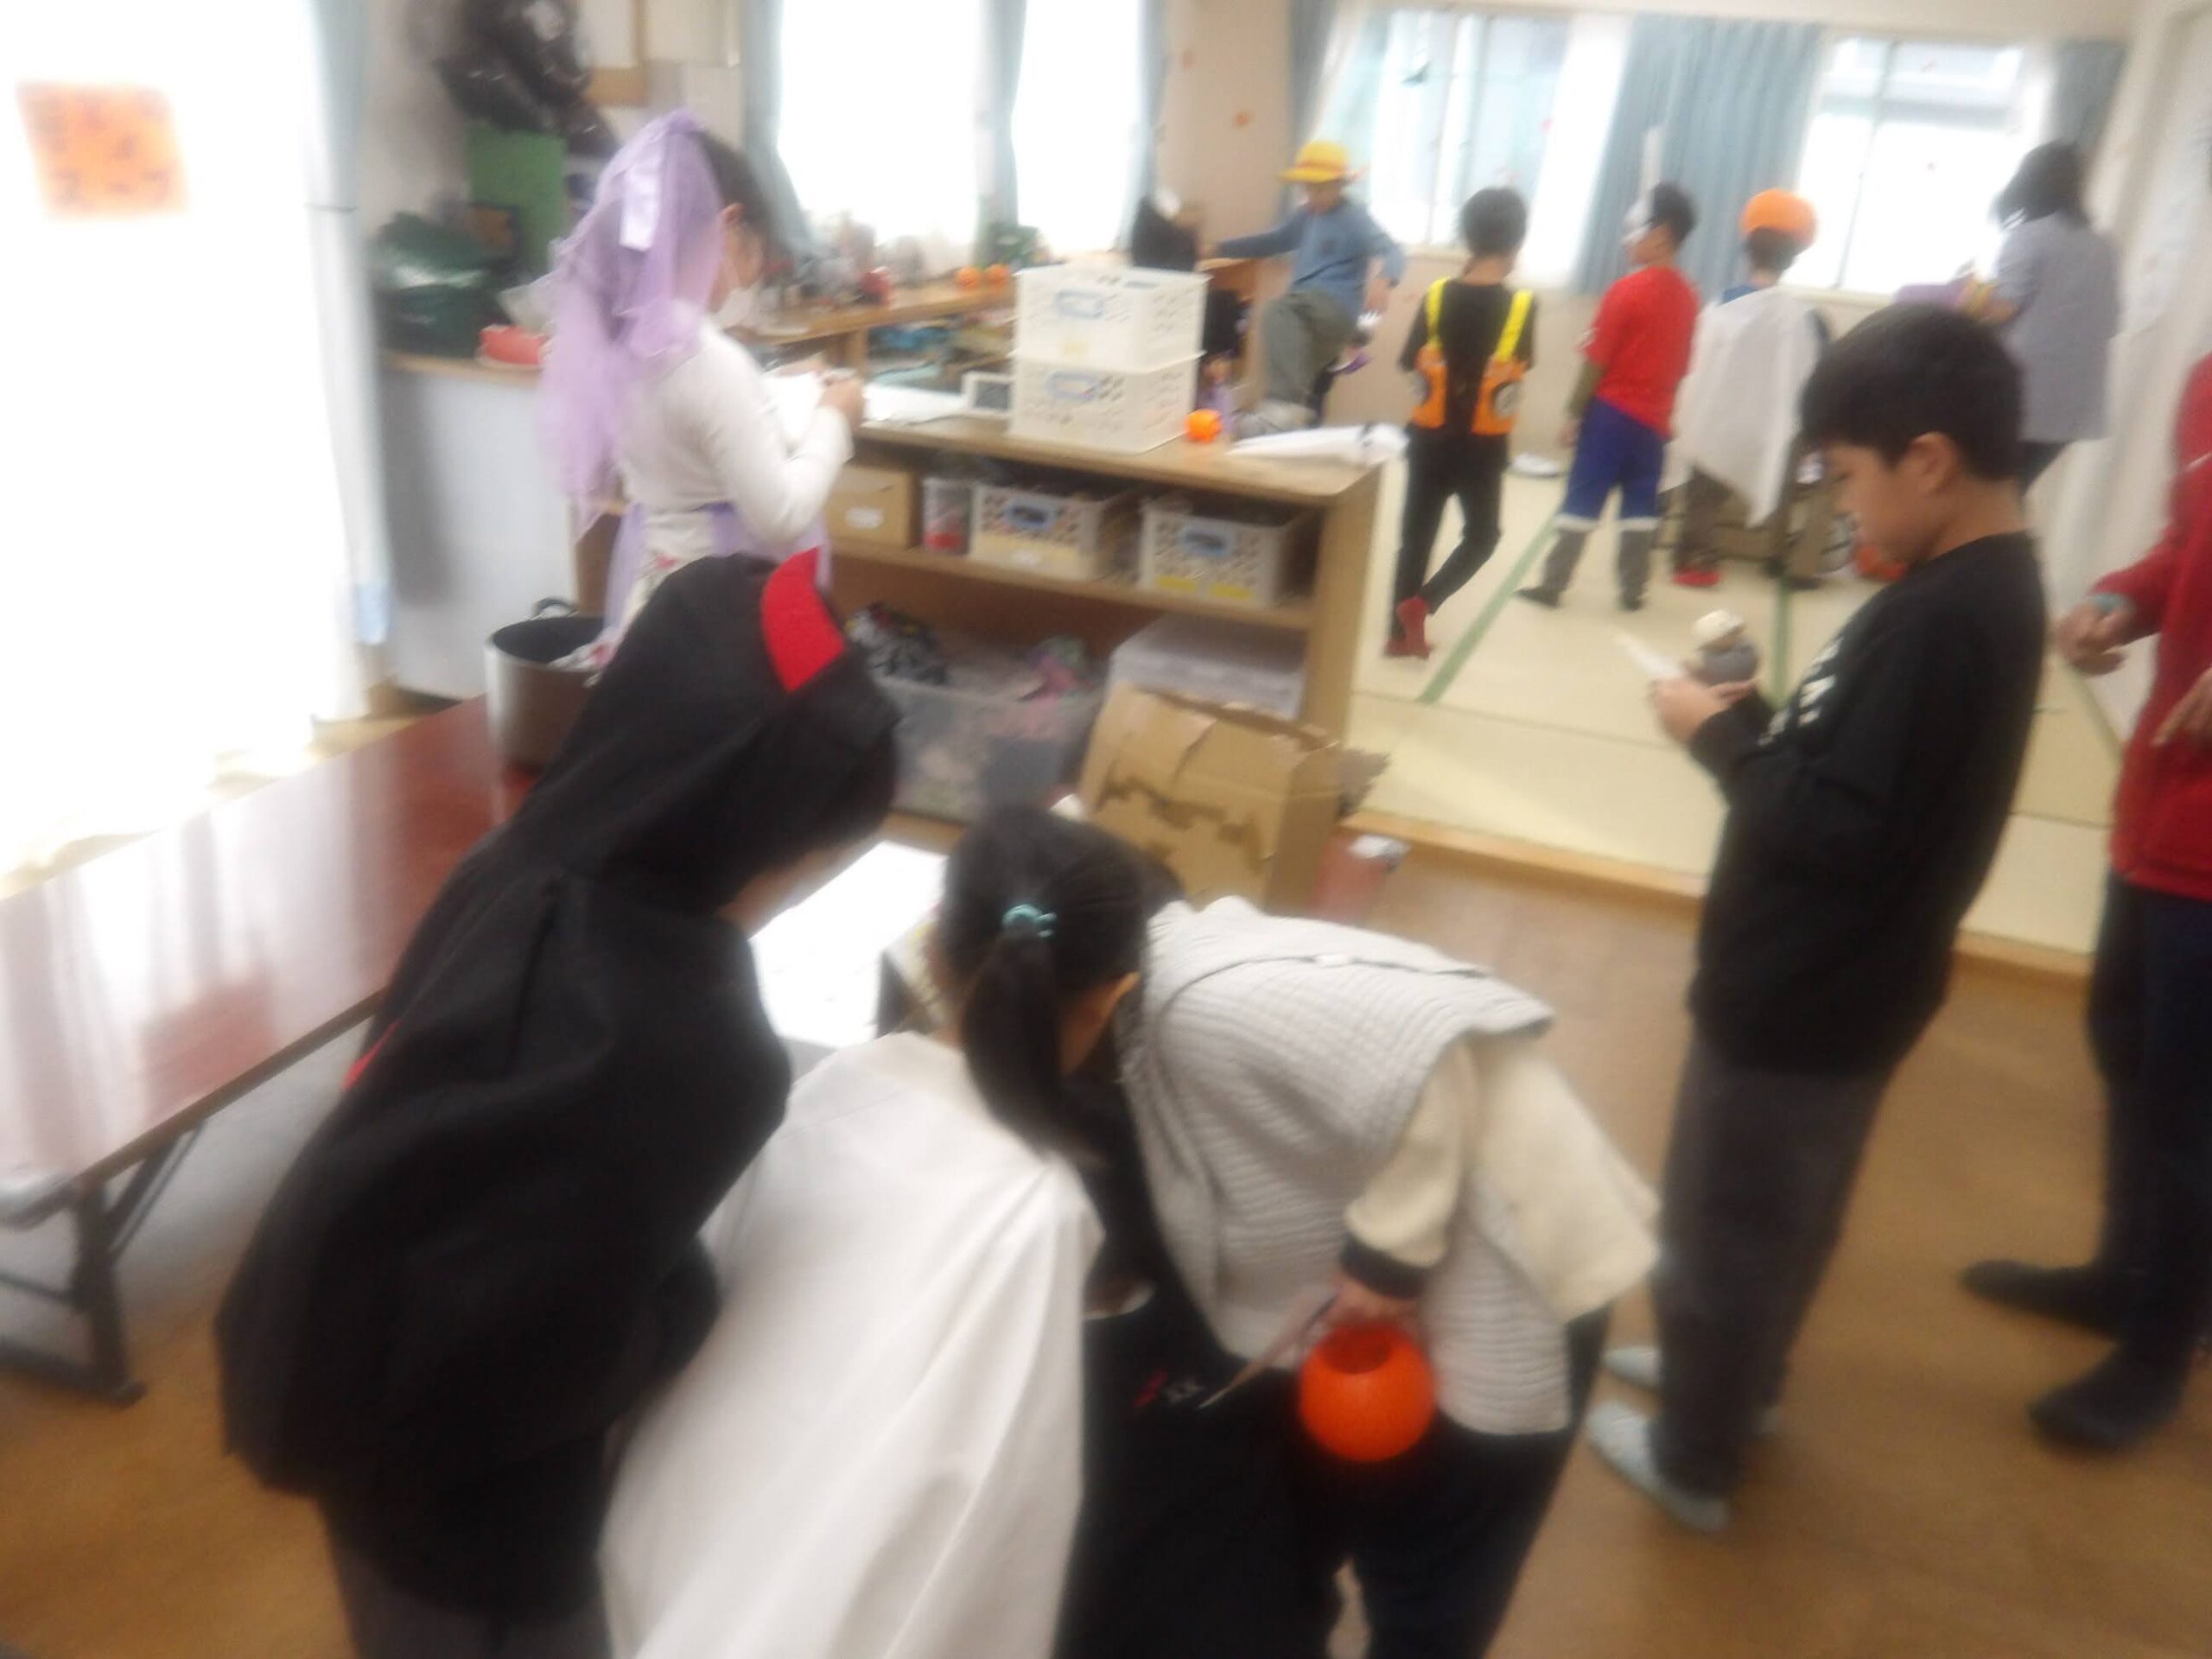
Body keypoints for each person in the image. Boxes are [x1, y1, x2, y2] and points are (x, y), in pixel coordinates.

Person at [215, 553, 900, 1659]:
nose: (801, 886)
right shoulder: (699, 1041)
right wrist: (686, 1306)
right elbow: (559, 1348)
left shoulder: (521, 858)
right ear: (759, 833)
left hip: (331, 1344)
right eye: (812, 864)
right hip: (476, 1522)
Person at [1587, 305, 2048, 1532]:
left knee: (1726, 1226)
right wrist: (1759, 715)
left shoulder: (1946, 618)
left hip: (1800, 995)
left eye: (1847, 476)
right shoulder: (1973, 590)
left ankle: (1695, 1453)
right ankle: (1729, 1385)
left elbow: (1838, 833)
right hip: (1849, 989)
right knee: (1780, 1219)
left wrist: (1718, 738)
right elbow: (1867, 781)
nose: (1842, 505)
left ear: (1928, 461)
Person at [601, 808, 1148, 1658]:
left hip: (652, 1548)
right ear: (1113, 998)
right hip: (800, 1619)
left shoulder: (833, 1088)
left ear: (932, 948)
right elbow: (993, 1513)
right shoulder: (1037, 1213)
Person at [1117, 893, 1656, 1657]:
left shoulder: (1202, 1000)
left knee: (1443, 1562)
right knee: (1343, 1502)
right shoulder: (1158, 1006)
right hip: (1416, 1237)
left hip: (1516, 1234)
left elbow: (1420, 1050)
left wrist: (1388, 1260)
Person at [1964, 352, 2212, 1451]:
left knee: (2194, 1118)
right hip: (2160, 803)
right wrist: (2116, 603)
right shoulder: (2205, 382)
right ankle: (2122, 1276)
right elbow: (2185, 546)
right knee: (2126, 1054)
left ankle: (2162, 1349)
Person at [543, 110, 867, 664]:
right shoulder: (708, 360)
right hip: (729, 609)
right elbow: (782, 515)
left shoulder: (619, 340)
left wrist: (766, 385)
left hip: (662, 596)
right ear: (730, 225)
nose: (744, 283)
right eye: (753, 257)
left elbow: (688, 421)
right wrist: (837, 417)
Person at [1519, 184, 1700, 612]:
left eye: (1634, 230)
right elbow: (1682, 367)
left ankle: (1553, 584)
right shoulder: (1690, 299)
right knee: (1641, 505)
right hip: (1655, 424)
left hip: (1610, 418)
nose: (1626, 240)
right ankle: (1633, 590)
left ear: (1661, 235)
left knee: (1582, 498)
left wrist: (1572, 413)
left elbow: (1596, 361)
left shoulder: (1625, 291)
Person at [1389, 188, 1538, 660]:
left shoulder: (1436, 296)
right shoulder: (1522, 306)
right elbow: (1522, 365)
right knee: (1482, 537)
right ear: (1516, 243)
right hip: (1481, 450)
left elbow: (1408, 362)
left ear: (1467, 238)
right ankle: (1422, 604)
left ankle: (1396, 637)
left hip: (1428, 442)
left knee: (1415, 538)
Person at [1669, 189, 1830, 591]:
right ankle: (1778, 556)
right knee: (1786, 465)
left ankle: (1695, 557)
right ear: (1792, 258)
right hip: (1767, 433)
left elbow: (1696, 369)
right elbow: (1808, 381)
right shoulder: (1800, 318)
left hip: (1717, 423)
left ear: (1747, 250)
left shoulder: (1719, 307)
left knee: (1703, 482)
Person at [1213, 140, 1406, 435]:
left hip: (1332, 307)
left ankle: (1281, 409)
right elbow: (1272, 241)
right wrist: (1219, 248)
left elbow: (1393, 250)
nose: (1312, 197)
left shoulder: (1354, 217)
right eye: (1307, 189)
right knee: (1304, 379)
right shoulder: (1305, 215)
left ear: (1340, 186)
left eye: (1320, 190)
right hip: (1310, 314)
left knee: (1278, 312)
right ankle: (1290, 428)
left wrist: (1384, 280)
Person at [1981, 142, 2120, 490]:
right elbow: (2112, 321)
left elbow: (2004, 307)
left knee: (1990, 490)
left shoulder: (2028, 237)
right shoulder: (2103, 246)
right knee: (2014, 489)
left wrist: (1969, 299)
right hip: (2075, 402)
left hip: (2024, 393)